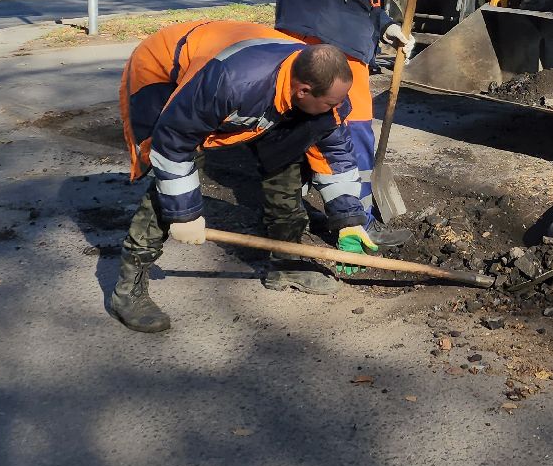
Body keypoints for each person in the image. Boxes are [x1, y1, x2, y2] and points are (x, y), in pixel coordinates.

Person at [110, 23, 371, 332]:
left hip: (256, 86)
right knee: (173, 176)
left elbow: (335, 158)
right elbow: (173, 145)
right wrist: (184, 213)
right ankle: (128, 290)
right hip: (165, 69)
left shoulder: (323, 93)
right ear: (303, 91)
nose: (337, 108)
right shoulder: (228, 82)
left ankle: (285, 262)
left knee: (288, 152)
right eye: (330, 103)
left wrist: (348, 218)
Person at [276, 0, 445, 233]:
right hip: (333, 16)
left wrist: (383, 24)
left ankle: (287, 206)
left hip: (305, 8)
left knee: (302, 105)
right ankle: (356, 219)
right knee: (351, 115)